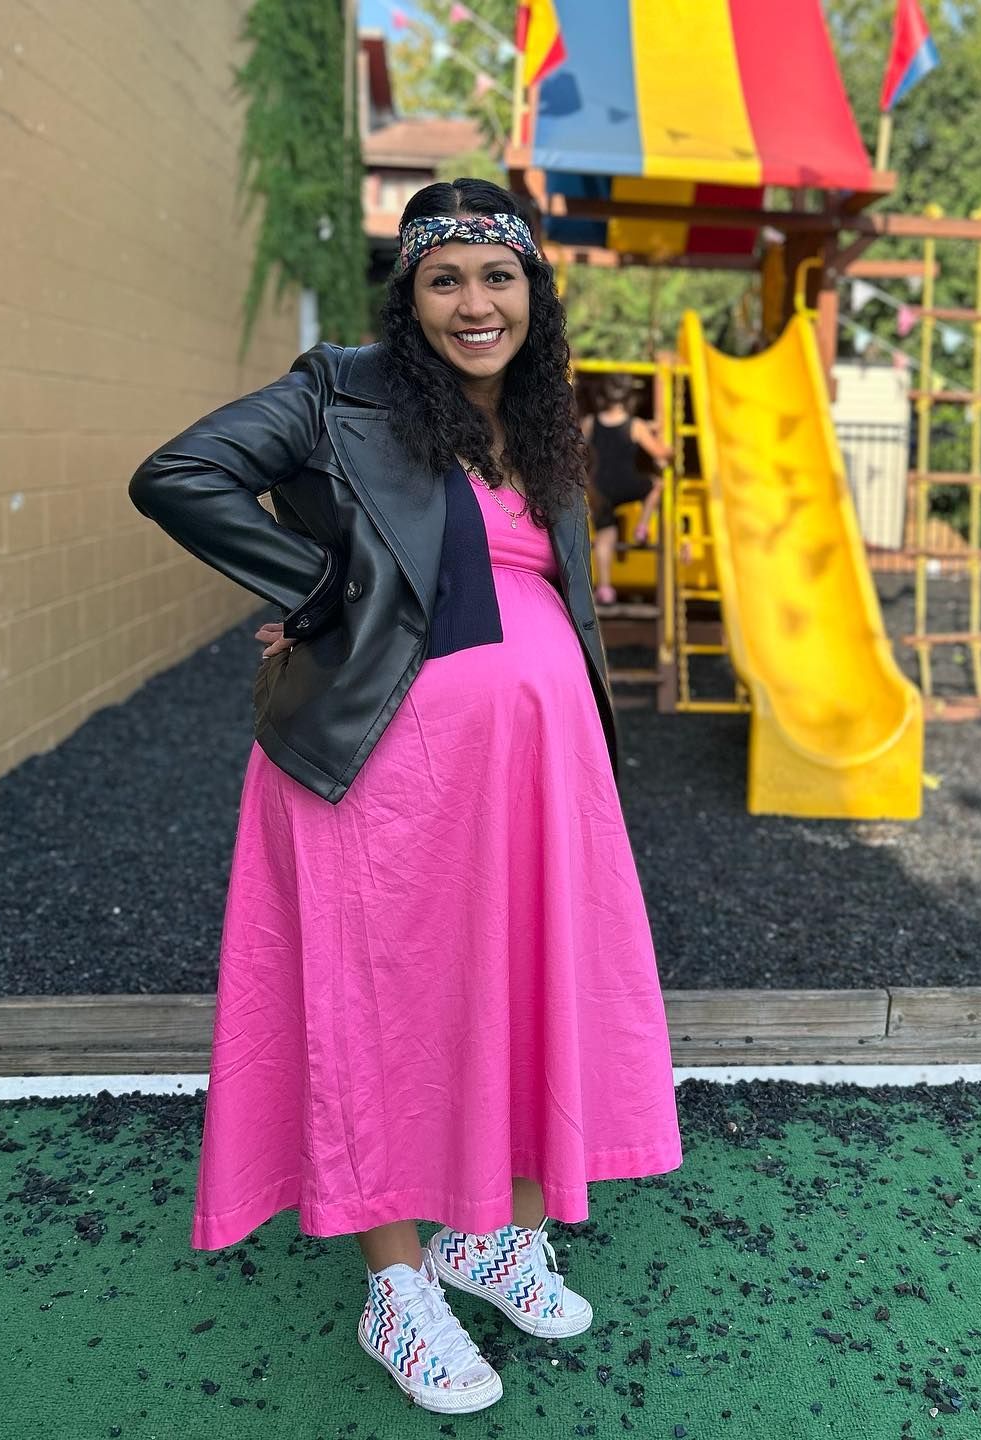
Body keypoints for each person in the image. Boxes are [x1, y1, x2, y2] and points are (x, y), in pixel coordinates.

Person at [128, 179, 683, 1416]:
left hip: (535, 773)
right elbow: (180, 474)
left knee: (531, 983)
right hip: (382, 769)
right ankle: (395, 1285)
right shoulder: (340, 391)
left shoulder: (540, 418)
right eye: (445, 279)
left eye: (499, 276)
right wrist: (320, 589)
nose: (475, 303)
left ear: (534, 292)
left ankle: (496, 1237)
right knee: (379, 1006)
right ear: (410, 296)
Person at [582, 375, 672, 605]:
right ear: (630, 398)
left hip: (599, 487)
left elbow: (577, 446)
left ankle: (604, 588)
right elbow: (659, 453)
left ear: (602, 397)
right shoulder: (635, 425)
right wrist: (669, 448)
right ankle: (642, 526)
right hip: (626, 483)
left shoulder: (591, 423)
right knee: (656, 485)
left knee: (605, 535)